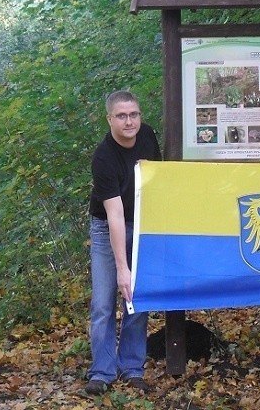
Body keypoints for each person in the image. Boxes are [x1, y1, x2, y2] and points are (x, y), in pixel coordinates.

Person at [85, 90, 161, 395]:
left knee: (136, 300)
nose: (129, 121)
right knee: (104, 302)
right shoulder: (103, 157)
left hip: (142, 224)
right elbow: (114, 215)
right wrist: (122, 268)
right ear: (110, 119)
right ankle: (101, 372)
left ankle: (132, 367)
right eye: (121, 115)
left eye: (134, 114)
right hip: (107, 227)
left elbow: (157, 180)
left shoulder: (148, 136)